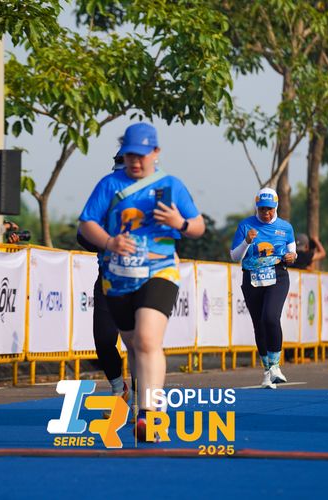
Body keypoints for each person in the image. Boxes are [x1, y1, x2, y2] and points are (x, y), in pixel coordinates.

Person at [78, 122, 204, 441]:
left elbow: (198, 226)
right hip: (118, 278)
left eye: (141, 155)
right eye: (130, 155)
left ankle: (150, 413)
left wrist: (180, 222)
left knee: (147, 340)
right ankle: (140, 405)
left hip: (160, 271)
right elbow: (86, 224)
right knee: (133, 344)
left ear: (156, 152)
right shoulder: (109, 184)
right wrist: (109, 242)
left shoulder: (171, 185)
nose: (135, 161)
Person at [76, 151, 129, 411]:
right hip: (108, 279)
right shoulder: (105, 194)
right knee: (104, 340)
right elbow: (82, 233)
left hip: (144, 280)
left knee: (141, 344)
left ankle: (144, 401)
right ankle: (119, 388)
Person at [230, 187, 297, 389]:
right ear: (256, 208)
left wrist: (292, 257)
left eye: (269, 209)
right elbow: (234, 256)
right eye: (262, 209)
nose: (266, 213)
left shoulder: (285, 227)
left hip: (277, 276)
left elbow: (292, 252)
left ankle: (276, 366)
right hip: (252, 278)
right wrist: (247, 241)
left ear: (276, 207)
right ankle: (267, 372)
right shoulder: (245, 225)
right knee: (259, 324)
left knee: (270, 317)